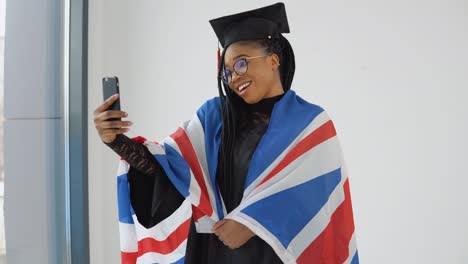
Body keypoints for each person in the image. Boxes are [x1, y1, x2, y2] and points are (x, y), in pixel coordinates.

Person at [93, 2, 359, 264]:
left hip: (276, 256)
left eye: (241, 64)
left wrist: (250, 222)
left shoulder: (311, 124)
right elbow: (169, 170)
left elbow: (318, 203)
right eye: (227, 72)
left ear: (273, 61)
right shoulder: (214, 118)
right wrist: (116, 140)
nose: (233, 78)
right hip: (215, 253)